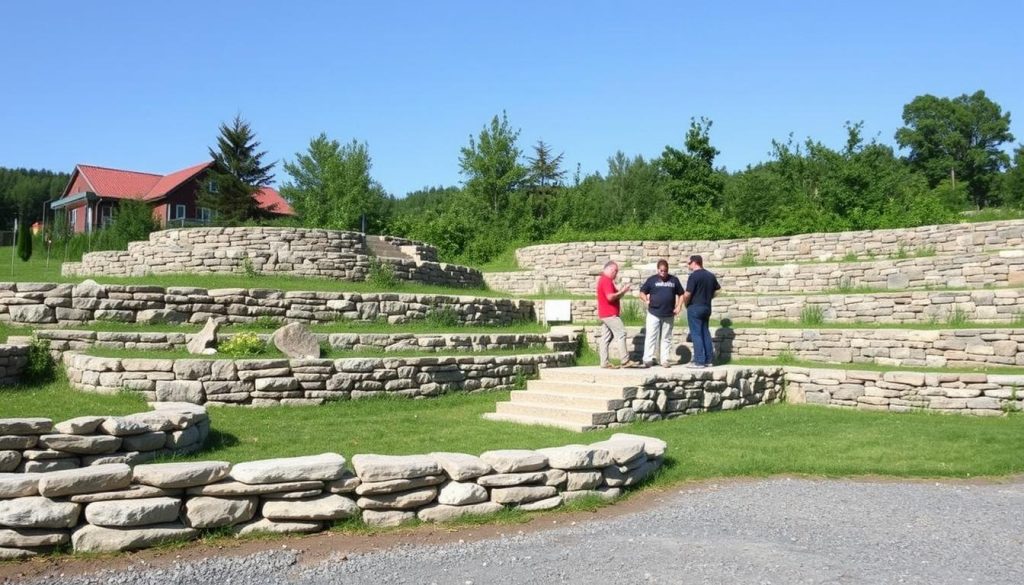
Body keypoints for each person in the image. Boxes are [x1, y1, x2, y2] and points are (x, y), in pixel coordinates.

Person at [639, 259, 684, 368]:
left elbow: (681, 294)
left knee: (666, 337)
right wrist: (646, 300)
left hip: (668, 314)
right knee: (651, 336)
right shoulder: (652, 280)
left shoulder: (674, 280)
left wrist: (679, 306)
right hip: (653, 313)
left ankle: (664, 360)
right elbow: (642, 292)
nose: (663, 273)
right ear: (658, 269)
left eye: (665, 271)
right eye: (661, 271)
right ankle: (647, 359)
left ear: (668, 269)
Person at [682, 254, 721, 368]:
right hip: (706, 307)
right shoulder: (710, 275)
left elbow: (688, 293)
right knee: (705, 332)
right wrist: (709, 297)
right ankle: (709, 359)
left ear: (694, 262)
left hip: (695, 307)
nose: (688, 265)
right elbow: (718, 290)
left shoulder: (694, 276)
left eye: (689, 263)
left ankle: (699, 361)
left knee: (696, 334)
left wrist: (685, 302)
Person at [596, 260, 636, 369]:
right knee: (621, 333)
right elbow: (610, 297)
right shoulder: (606, 280)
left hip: (604, 314)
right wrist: (622, 291)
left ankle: (604, 362)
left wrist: (621, 292)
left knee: (605, 338)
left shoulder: (603, 280)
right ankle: (625, 360)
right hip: (609, 314)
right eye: (615, 271)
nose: (616, 274)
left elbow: (614, 296)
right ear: (609, 269)